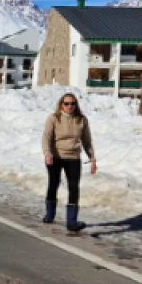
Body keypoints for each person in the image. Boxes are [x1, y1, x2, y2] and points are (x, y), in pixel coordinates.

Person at [41, 93, 97, 232]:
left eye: (73, 103)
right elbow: (46, 137)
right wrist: (47, 153)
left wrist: (92, 159)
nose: (70, 106)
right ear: (61, 105)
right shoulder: (54, 118)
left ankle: (71, 221)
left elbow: (87, 141)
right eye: (66, 103)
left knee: (73, 187)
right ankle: (50, 214)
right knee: (53, 183)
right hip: (56, 156)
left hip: (73, 158)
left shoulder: (81, 119)